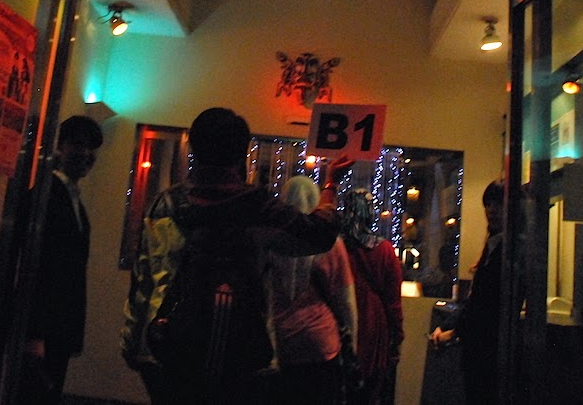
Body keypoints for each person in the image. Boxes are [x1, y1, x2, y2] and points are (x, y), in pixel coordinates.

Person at [120, 107, 348, 405]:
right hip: (243, 354)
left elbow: (143, 279)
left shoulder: (166, 204)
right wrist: (330, 186)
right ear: (242, 154)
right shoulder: (259, 208)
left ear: (195, 149)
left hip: (168, 347)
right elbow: (318, 234)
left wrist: (134, 342)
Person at [22, 114, 103, 404]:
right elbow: (40, 265)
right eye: (78, 145)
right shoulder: (48, 193)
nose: (86, 154)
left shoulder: (69, 195)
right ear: (59, 147)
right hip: (47, 329)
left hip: (56, 327)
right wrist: (34, 333)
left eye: (91, 148)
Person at [271, 176, 358, 405]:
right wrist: (353, 343)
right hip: (320, 342)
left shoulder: (272, 240)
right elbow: (345, 300)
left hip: (281, 341)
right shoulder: (329, 242)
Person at [429, 180, 505, 405]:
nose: (491, 209)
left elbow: (485, 304)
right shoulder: (493, 246)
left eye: (498, 203)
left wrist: (453, 332)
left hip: (488, 352)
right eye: (488, 204)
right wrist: (448, 326)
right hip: (480, 351)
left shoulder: (506, 250)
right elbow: (475, 301)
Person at [341, 189, 404, 405]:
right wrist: (397, 336)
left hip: (343, 322)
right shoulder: (384, 249)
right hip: (373, 323)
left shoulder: (337, 247)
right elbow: (393, 301)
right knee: (370, 391)